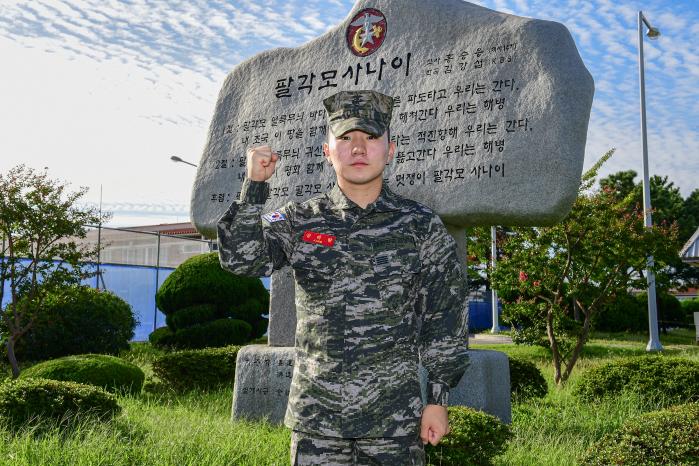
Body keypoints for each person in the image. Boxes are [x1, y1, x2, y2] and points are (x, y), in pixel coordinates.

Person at [217, 90, 469, 465]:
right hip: (317, 420)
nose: (358, 149)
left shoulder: (420, 225)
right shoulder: (300, 219)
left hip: (394, 422)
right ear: (327, 151)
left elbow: (445, 315)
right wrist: (254, 187)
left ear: (390, 149)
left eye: (370, 138)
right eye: (346, 139)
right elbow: (241, 260)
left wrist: (437, 399)